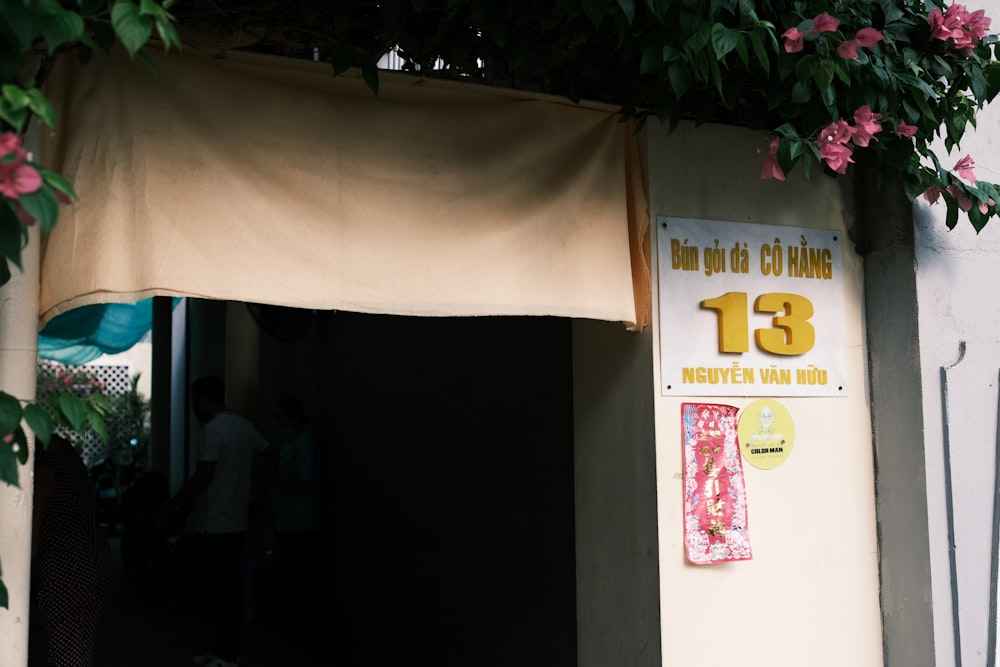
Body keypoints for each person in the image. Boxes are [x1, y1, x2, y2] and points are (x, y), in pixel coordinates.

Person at [163, 375, 274, 667]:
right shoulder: (243, 426)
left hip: (215, 523)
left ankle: (225, 653)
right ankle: (221, 650)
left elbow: (203, 477)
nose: (193, 408)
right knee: (227, 588)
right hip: (235, 521)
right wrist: (257, 485)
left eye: (193, 401)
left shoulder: (212, 431)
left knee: (220, 590)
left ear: (201, 400)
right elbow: (271, 454)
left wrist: (176, 503)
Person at [30, 433, 113, 667]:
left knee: (67, 658)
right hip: (90, 559)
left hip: (66, 570)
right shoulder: (62, 450)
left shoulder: (43, 466)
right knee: (76, 651)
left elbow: (31, 543)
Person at [269, 396, 321, 636]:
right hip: (289, 522)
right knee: (294, 578)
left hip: (300, 524)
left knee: (300, 580)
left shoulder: (303, 444)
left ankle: (304, 632)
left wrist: (272, 478)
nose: (276, 423)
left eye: (280, 417)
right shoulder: (292, 444)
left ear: (294, 418)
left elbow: (305, 481)